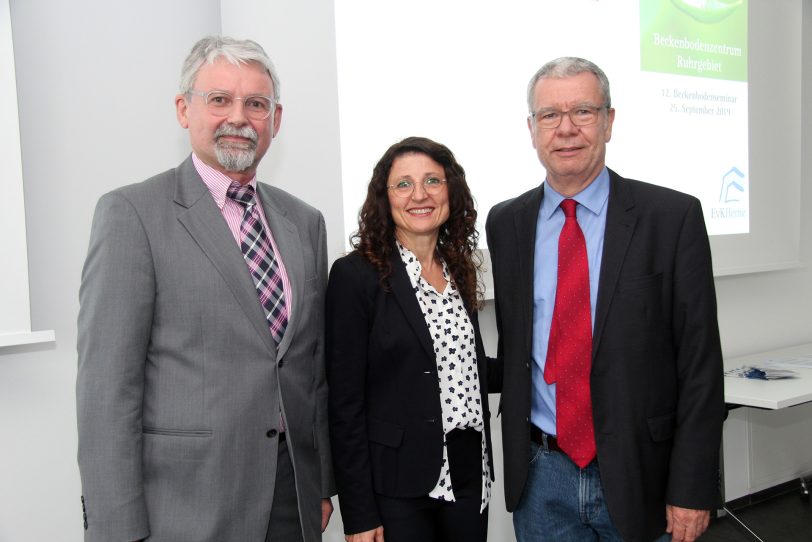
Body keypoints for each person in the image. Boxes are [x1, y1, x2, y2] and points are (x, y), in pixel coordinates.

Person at [77, 36, 334, 542]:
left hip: (290, 496)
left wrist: (321, 480)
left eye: (255, 104)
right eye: (219, 99)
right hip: (184, 505)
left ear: (275, 120)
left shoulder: (304, 222)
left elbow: (310, 364)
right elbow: (107, 389)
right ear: (183, 109)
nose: (239, 117)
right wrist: (115, 526)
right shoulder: (132, 214)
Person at [486, 57, 725, 542]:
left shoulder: (671, 217)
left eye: (584, 111)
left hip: (643, 473)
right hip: (541, 474)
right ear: (532, 130)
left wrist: (693, 486)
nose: (566, 129)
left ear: (609, 121)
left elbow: (700, 366)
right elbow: (518, 349)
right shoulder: (505, 223)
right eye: (550, 115)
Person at [326, 137, 500, 542]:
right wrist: (359, 514)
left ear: (450, 192)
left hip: (470, 473)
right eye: (403, 184)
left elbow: (461, 366)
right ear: (383, 198)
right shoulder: (356, 277)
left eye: (432, 182)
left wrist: (542, 366)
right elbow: (344, 404)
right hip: (398, 485)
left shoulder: (459, 267)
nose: (419, 195)